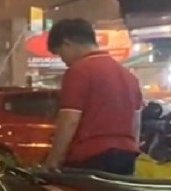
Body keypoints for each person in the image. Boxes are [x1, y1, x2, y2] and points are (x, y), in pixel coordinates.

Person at [43, 18, 144, 175]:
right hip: (127, 156)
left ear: (67, 44)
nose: (63, 61)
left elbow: (70, 120)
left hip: (90, 157)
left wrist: (54, 160)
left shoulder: (79, 71)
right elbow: (135, 123)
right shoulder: (128, 75)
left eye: (60, 54)